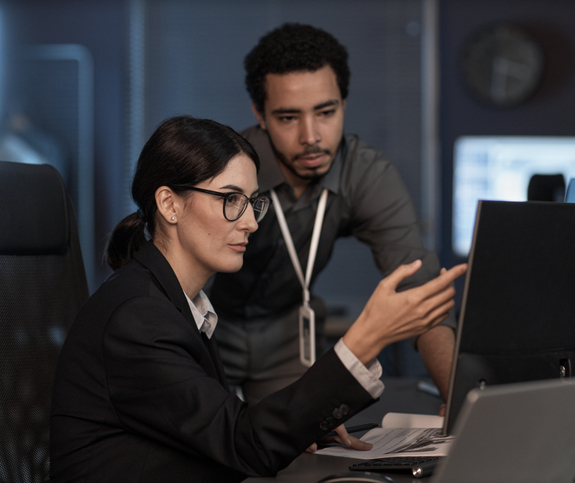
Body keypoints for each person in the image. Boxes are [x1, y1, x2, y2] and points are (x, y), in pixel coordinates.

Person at [49, 116, 466, 482]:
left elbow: (218, 429)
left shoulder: (176, 303)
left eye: (252, 202)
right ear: (169, 204)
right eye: (231, 199)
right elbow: (243, 443)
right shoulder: (138, 317)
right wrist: (368, 337)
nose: (250, 221)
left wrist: (302, 425)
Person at [209, 23, 457, 406]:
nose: (311, 136)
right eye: (288, 118)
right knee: (204, 437)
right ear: (260, 113)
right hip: (207, 325)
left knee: (309, 436)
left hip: (289, 332)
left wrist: (459, 402)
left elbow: (419, 290)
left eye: (326, 112)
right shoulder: (224, 168)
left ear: (344, 102)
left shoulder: (366, 173)